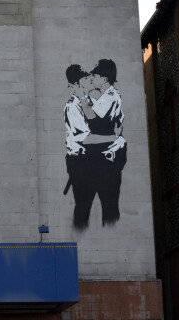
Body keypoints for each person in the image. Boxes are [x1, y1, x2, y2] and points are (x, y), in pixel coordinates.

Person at [64, 60, 126, 230]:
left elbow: (92, 116)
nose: (91, 79)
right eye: (86, 78)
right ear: (76, 84)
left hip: (106, 160)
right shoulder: (73, 106)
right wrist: (114, 136)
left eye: (94, 76)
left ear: (105, 79)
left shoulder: (110, 96)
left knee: (110, 207)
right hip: (82, 163)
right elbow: (86, 137)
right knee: (83, 210)